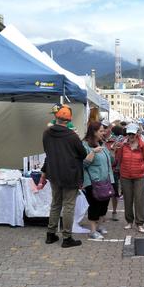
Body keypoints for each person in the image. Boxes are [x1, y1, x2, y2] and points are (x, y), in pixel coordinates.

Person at [40, 104, 85, 248]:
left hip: (53, 173)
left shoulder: (46, 133)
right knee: (69, 206)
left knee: (55, 203)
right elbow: (83, 154)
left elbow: (47, 152)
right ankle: (67, 237)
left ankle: (50, 234)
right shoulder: (72, 136)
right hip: (70, 174)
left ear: (56, 117)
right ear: (69, 120)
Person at [82, 121, 114, 240]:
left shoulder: (102, 143)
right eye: (101, 131)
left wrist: (112, 150)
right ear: (93, 132)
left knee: (104, 205)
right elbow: (83, 164)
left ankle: (99, 226)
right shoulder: (85, 145)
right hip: (92, 181)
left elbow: (109, 161)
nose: (104, 133)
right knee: (95, 205)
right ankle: (93, 231)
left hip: (105, 180)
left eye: (103, 130)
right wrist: (93, 152)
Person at [116, 123, 144, 233]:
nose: (130, 136)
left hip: (139, 176)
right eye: (128, 133)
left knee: (139, 199)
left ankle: (140, 223)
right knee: (128, 199)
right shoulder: (122, 145)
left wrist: (143, 170)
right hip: (125, 176)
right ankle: (129, 221)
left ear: (137, 134)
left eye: (132, 134)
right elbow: (118, 159)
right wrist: (116, 148)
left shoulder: (143, 145)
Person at [105, 123, 124, 221]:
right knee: (109, 192)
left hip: (111, 169)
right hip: (109, 169)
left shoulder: (112, 140)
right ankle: (109, 212)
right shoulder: (98, 140)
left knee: (111, 192)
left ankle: (111, 212)